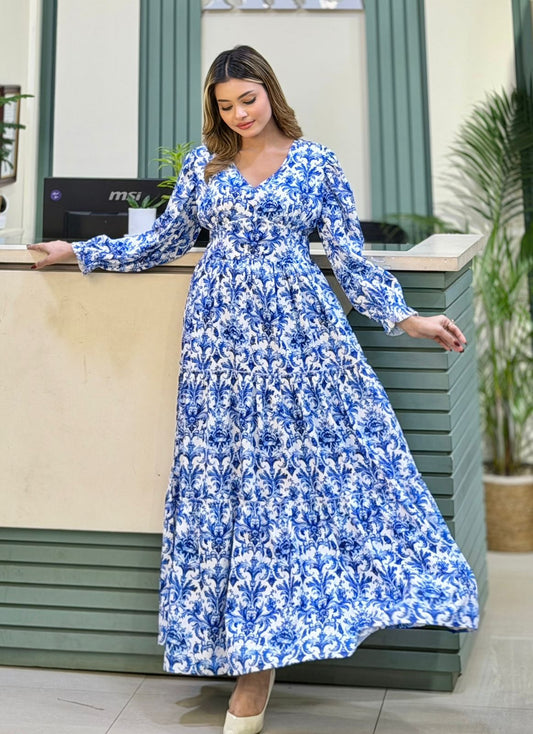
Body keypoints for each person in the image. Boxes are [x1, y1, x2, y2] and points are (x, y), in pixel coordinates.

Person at [29, 45, 478, 734]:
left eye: (248, 98)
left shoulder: (317, 163)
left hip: (300, 340)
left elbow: (351, 262)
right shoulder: (204, 166)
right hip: (220, 346)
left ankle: (268, 663)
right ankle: (248, 661)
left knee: (314, 484)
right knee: (230, 489)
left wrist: (408, 318)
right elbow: (166, 242)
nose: (239, 113)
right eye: (225, 105)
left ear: (270, 91)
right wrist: (80, 250)